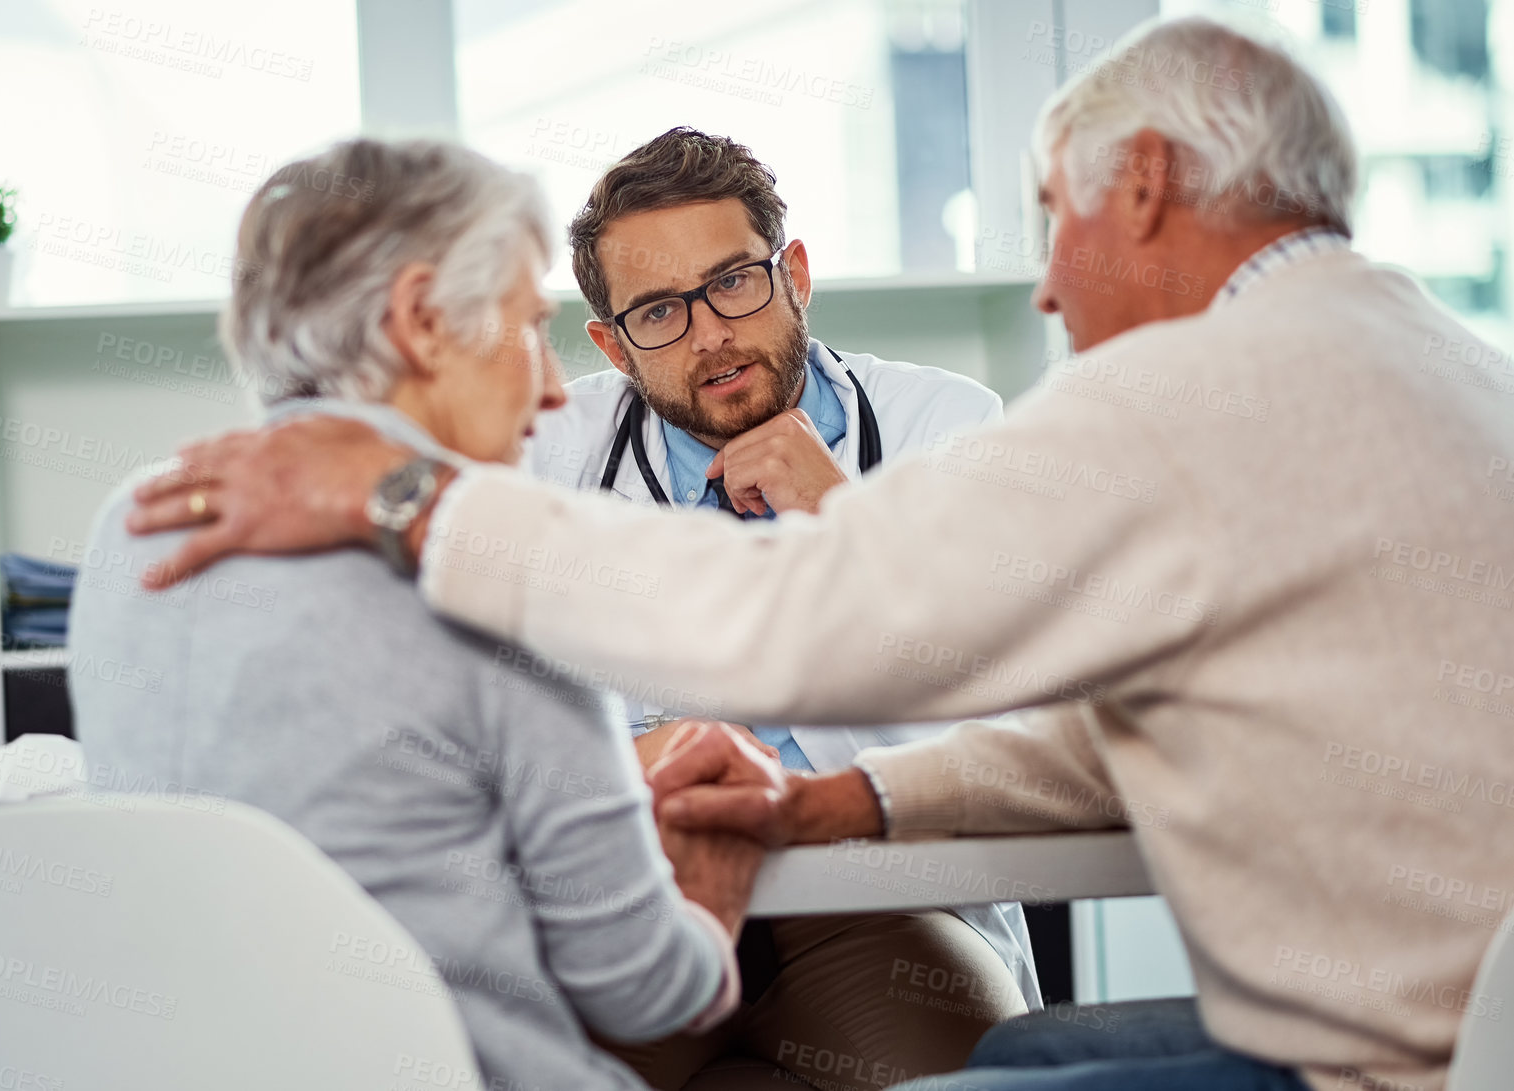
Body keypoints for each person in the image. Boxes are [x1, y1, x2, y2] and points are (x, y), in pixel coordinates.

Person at [120, 16, 1514, 1091]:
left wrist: (411, 499)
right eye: (655, 312)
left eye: (1054, 216)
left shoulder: (1187, 388)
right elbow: (1129, 728)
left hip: (1382, 1055)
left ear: (1143, 183)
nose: (1042, 280)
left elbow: (798, 621)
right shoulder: (1429, 358)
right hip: (1456, 1024)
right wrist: (832, 799)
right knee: (1017, 1062)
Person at [68, 139, 783, 1091]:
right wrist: (713, 878)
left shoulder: (132, 526)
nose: (553, 389)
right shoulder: (487, 559)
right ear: (420, 321)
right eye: (531, 325)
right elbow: (641, 991)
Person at [527, 127, 1035, 1087]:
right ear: (611, 342)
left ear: (792, 273)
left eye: (733, 283)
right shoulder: (551, 454)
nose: (711, 333)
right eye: (659, 313)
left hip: (883, 903)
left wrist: (841, 516)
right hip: (631, 906)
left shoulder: (949, 428)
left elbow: (1009, 722)